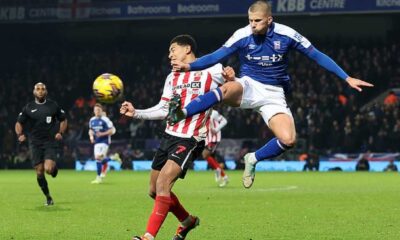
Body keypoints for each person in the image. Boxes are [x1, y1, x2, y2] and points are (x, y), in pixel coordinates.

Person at [168, 0, 374, 188]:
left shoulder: (287, 34)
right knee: (226, 88)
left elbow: (316, 55)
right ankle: (181, 113)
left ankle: (253, 159)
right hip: (248, 84)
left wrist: (346, 77)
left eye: (257, 21)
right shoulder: (242, 34)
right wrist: (189, 66)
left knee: (289, 140)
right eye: (250, 21)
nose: (253, 24)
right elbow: (216, 55)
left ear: (269, 19)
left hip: (274, 93)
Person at [120, 34, 227, 240]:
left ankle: (148, 236)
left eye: (173, 50)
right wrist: (137, 113)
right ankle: (187, 221)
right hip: (169, 136)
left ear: (187, 49)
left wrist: (231, 78)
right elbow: (164, 109)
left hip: (191, 138)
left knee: (163, 184)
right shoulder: (172, 77)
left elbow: (235, 87)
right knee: (153, 190)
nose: (170, 55)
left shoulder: (212, 70)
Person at [15, 82, 67, 206]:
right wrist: (20, 134)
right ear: (34, 92)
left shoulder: (53, 105)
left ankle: (53, 168)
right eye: (38, 89)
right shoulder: (28, 107)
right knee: (39, 172)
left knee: (48, 169)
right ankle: (48, 197)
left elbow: (63, 119)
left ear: (46, 92)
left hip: (49, 142)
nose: (40, 91)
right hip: (35, 143)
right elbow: (18, 123)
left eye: (42, 89)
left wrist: (60, 132)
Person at [88, 103, 120, 184]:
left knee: (98, 158)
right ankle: (113, 158)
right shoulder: (92, 120)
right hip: (96, 142)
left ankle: (98, 178)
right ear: (93, 111)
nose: (97, 111)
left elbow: (112, 130)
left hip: (104, 142)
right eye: (95, 110)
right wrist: (91, 137)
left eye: (98, 110)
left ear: (101, 111)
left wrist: (102, 134)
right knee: (99, 160)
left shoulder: (105, 120)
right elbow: (91, 130)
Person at [202, 109, 229, 187]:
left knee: (205, 155)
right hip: (207, 138)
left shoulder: (214, 113)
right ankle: (224, 176)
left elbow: (224, 121)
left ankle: (218, 170)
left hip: (214, 138)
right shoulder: (201, 112)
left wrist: (216, 129)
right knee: (209, 157)